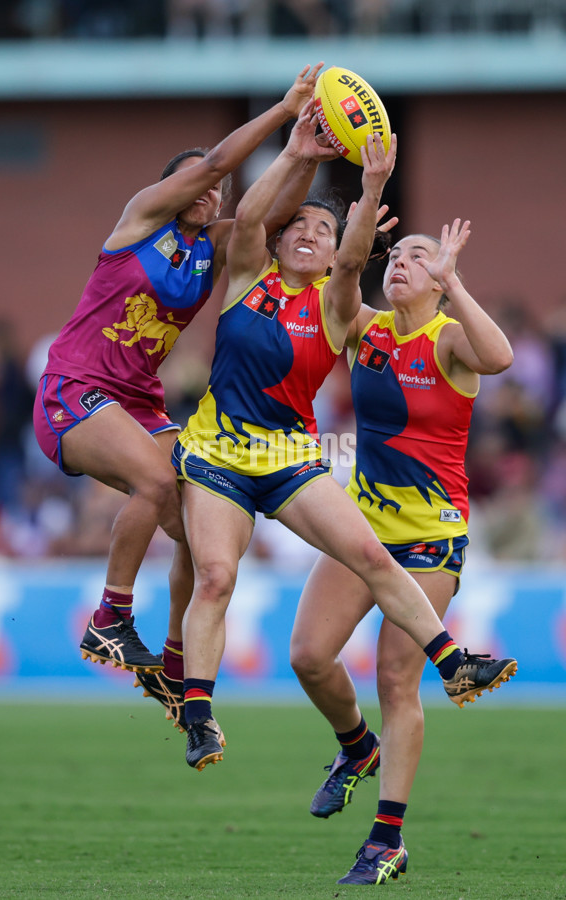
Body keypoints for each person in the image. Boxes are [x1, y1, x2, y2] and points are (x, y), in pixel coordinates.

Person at [171, 104, 517, 774]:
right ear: (276, 241)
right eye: (296, 224)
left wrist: (374, 186)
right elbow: (249, 219)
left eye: (322, 229)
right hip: (216, 457)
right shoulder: (247, 276)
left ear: (336, 255)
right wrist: (298, 151)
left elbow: (363, 254)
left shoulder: (338, 308)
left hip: (289, 460)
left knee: (369, 553)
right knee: (216, 576)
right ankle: (199, 715)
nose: (308, 233)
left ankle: (454, 662)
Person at [32, 65, 326, 707]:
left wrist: (303, 153)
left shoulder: (208, 246)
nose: (214, 193)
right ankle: (109, 618)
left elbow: (270, 220)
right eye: (202, 183)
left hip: (136, 400)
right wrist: (283, 111)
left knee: (196, 518)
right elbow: (221, 159)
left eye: (218, 192)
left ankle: (171, 658)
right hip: (73, 387)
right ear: (172, 187)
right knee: (159, 481)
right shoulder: (141, 220)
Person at [289, 219, 516, 885]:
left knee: (396, 678)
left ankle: (387, 839)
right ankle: (357, 747)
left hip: (429, 536)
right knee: (307, 655)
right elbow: (333, 285)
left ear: (440, 280)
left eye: (418, 257)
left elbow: (498, 358)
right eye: (396, 256)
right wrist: (359, 217)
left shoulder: (450, 338)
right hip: (361, 528)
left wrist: (455, 282)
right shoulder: (368, 329)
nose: (400, 264)